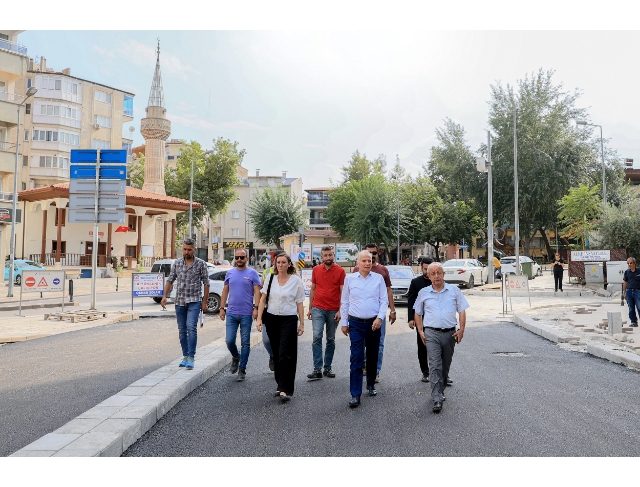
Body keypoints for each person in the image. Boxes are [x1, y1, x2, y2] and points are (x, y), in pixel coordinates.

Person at [414, 262, 469, 413]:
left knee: (445, 365)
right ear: (429, 276)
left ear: (443, 274)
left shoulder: (454, 290)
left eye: (439, 272)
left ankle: (441, 387)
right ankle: (436, 397)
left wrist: (461, 329)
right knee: (435, 365)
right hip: (431, 333)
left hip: (450, 333)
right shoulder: (423, 293)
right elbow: (417, 312)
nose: (436, 276)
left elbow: (462, 310)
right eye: (433, 273)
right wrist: (420, 331)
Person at [341, 250, 388, 408]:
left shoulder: (379, 279)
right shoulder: (350, 279)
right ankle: (355, 394)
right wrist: (344, 322)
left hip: (374, 324)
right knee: (356, 357)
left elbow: (384, 300)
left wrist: (380, 318)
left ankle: (370, 384)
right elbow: (345, 302)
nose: (367, 263)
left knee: (373, 356)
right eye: (364, 261)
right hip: (356, 323)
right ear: (358, 263)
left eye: (370, 260)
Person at [256, 253, 305, 402]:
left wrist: (302, 323)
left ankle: (285, 389)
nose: (281, 265)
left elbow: (300, 303)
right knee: (276, 353)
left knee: (286, 353)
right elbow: (263, 299)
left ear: (289, 264)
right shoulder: (270, 279)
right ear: (275, 264)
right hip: (272, 318)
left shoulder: (296, 281)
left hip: (289, 319)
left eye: (284, 262)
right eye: (278, 262)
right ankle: (280, 384)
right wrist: (259, 319)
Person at [161, 238, 210, 370]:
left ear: (194, 249)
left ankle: (191, 357)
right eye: (184, 249)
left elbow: (206, 284)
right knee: (182, 331)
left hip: (194, 301)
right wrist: (164, 296)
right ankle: (185, 356)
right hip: (180, 301)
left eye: (189, 249)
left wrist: (204, 302)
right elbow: (170, 280)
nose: (186, 251)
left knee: (191, 327)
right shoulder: (177, 263)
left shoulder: (201, 264)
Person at [352, 243, 396, 382]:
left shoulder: (383, 270)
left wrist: (392, 310)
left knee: (380, 343)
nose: (371, 256)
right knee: (363, 343)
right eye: (368, 254)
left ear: (378, 254)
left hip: (379, 314)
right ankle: (366, 366)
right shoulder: (355, 270)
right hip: (361, 315)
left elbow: (388, 291)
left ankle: (376, 370)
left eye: (374, 254)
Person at [219, 249, 262, 382]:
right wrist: (221, 308)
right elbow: (225, 291)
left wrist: (256, 308)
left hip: (246, 313)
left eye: (242, 257)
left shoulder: (253, 273)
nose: (239, 260)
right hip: (231, 312)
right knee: (229, 341)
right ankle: (236, 357)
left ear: (247, 258)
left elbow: (257, 292)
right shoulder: (230, 273)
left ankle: (242, 369)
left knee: (245, 343)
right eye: (237, 257)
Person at [307, 245, 346, 380]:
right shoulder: (316, 270)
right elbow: (313, 289)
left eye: (330, 255)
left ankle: (327, 367)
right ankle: (317, 369)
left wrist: (341, 310)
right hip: (318, 307)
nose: (328, 257)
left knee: (330, 339)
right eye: (325, 255)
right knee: (317, 337)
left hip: (333, 310)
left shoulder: (340, 271)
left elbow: (343, 292)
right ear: (321, 257)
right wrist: (310, 307)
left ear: (333, 255)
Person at [407, 257, 432, 383]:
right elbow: (411, 300)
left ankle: (442, 372)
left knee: (439, 347)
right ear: (421, 268)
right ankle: (425, 371)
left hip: (436, 320)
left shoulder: (438, 280)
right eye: (425, 269)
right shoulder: (416, 282)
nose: (427, 272)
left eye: (429, 269)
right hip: (421, 319)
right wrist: (411, 318)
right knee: (422, 346)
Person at [623, 257, 640, 328]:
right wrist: (624, 293)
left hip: (638, 292)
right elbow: (625, 282)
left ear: (634, 263)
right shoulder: (627, 272)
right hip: (629, 291)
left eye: (631, 263)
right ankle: (634, 322)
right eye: (628, 263)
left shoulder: (639, 271)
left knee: (639, 307)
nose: (629, 264)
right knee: (631, 308)